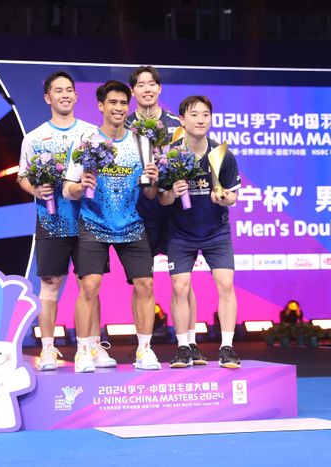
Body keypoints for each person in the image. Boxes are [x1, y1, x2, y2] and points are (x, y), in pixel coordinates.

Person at [17, 71, 115, 372]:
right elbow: (21, 176)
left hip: (89, 220)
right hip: (52, 221)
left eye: (69, 90)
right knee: (50, 283)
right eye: (58, 91)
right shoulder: (33, 138)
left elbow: (107, 170)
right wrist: (35, 188)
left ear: (75, 96)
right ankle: (48, 349)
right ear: (48, 98)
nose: (65, 95)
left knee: (90, 285)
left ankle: (94, 346)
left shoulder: (91, 134)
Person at [64, 80, 161, 373]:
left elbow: (150, 194)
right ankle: (84, 351)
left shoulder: (141, 143)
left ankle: (144, 350)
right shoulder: (86, 141)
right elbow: (68, 189)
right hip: (93, 222)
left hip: (131, 224)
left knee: (146, 285)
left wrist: (154, 180)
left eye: (123, 103)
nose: (119, 108)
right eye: (113, 103)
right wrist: (82, 186)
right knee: (89, 286)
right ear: (101, 106)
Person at [125, 66, 205, 365]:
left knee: (182, 283)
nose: (147, 89)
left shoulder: (177, 124)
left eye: (152, 84)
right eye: (140, 84)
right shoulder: (126, 127)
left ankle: (190, 343)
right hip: (139, 214)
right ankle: (143, 347)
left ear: (159, 89)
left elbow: (194, 159)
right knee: (142, 283)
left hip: (175, 214)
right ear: (133, 91)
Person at [159, 95, 242, 369]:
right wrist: (173, 191)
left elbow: (232, 197)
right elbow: (162, 200)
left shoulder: (221, 154)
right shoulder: (171, 155)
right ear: (182, 120)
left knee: (226, 285)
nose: (200, 119)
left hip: (216, 232)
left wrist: (224, 197)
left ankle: (227, 347)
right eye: (194, 114)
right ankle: (184, 346)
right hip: (181, 233)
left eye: (205, 114)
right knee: (179, 288)